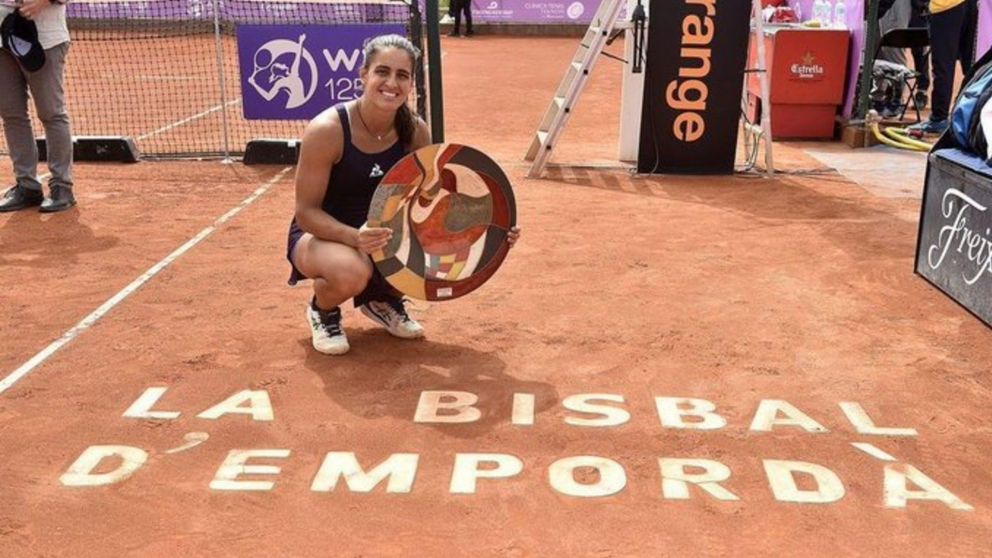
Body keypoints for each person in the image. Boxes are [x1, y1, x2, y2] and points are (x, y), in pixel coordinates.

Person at [287, 34, 519, 355]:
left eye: (402, 75)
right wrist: (355, 237)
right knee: (353, 271)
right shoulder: (327, 130)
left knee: (428, 258)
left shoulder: (415, 131)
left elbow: (435, 199)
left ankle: (383, 299)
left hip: (385, 232)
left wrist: (491, 226)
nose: (391, 83)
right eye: (382, 71)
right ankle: (322, 310)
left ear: (410, 84)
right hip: (324, 233)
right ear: (363, 74)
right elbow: (307, 213)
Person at [0, 0, 76, 213]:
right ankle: (27, 186)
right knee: (11, 114)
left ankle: (62, 187)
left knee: (51, 113)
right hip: (2, 38)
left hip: (45, 39)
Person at [909, 0, 978, 134]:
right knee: (971, 65)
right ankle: (971, 117)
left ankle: (939, 118)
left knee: (943, 65)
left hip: (945, 7)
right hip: (971, 6)